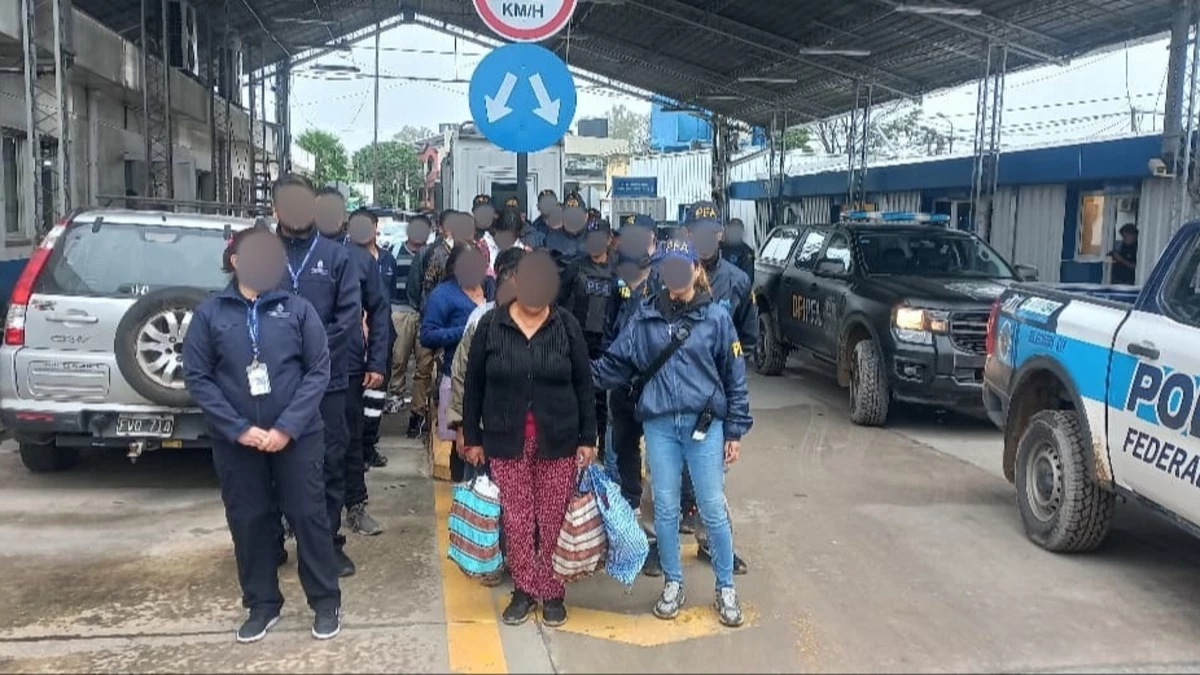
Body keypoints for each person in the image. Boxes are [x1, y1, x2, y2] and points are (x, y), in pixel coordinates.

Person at [183, 226, 343, 643]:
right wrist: (238, 429)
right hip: (238, 441)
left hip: (298, 436)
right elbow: (198, 377)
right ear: (235, 262)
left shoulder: (298, 309)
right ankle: (262, 604)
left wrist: (287, 427)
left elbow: (318, 370)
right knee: (249, 519)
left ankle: (325, 602)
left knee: (308, 516)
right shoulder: (210, 314)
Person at [592, 238, 752, 628]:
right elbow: (614, 364)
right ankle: (673, 583)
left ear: (696, 270)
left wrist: (734, 431)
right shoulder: (644, 317)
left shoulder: (717, 319)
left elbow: (735, 378)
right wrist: (571, 371)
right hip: (660, 426)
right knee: (665, 509)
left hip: (705, 426)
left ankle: (726, 587)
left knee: (712, 508)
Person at [461, 250, 598, 628]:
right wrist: (472, 436)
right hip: (505, 439)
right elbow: (473, 386)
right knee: (518, 518)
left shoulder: (566, 325)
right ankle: (524, 589)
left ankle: (552, 592)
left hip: (559, 439)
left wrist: (588, 437)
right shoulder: (491, 325)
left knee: (552, 518)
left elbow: (584, 385)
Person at [270, 176, 360, 581]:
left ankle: (325, 545)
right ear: (275, 209)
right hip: (274, 383)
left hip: (327, 381)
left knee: (328, 462)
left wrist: (311, 355)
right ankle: (272, 539)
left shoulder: (337, 256)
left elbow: (348, 317)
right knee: (271, 462)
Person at [314, 193, 389, 544]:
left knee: (349, 437)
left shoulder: (359, 258)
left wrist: (376, 360)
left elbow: (379, 310)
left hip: (347, 363)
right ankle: (292, 513)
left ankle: (355, 505)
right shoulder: (289, 255)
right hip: (295, 365)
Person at [420, 243, 493, 480]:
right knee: (461, 446)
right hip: (457, 377)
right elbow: (427, 335)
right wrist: (466, 331)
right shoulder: (443, 295)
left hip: (492, 380)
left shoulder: (491, 288)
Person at [347, 209, 398, 471]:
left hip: (380, 335)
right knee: (355, 401)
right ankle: (357, 450)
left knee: (376, 396)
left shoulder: (387, 258)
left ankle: (369, 444)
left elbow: (384, 302)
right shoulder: (342, 257)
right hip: (354, 340)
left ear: (375, 227)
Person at [561, 218, 615, 452]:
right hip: (579, 339)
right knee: (578, 393)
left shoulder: (618, 268)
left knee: (604, 399)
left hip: (607, 342)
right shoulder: (576, 266)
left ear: (609, 240)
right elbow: (559, 300)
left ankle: (602, 447)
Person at [405, 210, 457, 437]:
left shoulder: (470, 251)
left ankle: (442, 419)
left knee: (451, 371)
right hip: (431, 320)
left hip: (455, 322)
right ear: (441, 228)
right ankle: (416, 416)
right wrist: (426, 313)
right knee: (424, 369)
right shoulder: (428, 252)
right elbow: (416, 288)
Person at [389, 214, 432, 425]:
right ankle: (395, 394)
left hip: (425, 314)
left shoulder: (432, 253)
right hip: (400, 310)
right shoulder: (395, 250)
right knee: (398, 357)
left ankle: (419, 406)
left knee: (424, 363)